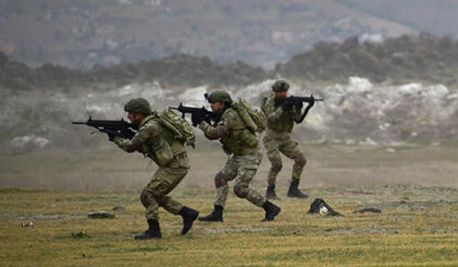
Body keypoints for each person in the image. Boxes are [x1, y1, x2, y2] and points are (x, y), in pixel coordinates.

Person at [113, 98, 199, 239]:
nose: (128, 117)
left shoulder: (149, 127)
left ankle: (154, 231)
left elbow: (130, 147)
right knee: (155, 195)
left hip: (175, 166)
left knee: (147, 195)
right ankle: (187, 213)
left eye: (131, 113)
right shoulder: (151, 122)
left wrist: (116, 138)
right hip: (175, 165)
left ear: (140, 114)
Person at [196, 90, 281, 222]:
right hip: (239, 154)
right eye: (210, 103)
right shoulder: (223, 115)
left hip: (250, 155)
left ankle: (270, 208)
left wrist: (201, 123)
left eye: (214, 103)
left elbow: (215, 134)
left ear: (222, 104)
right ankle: (217, 214)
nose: (211, 105)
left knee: (240, 188)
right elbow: (212, 133)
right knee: (220, 178)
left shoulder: (231, 116)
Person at [260, 80, 312, 199]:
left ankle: (293, 189)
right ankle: (270, 191)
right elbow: (271, 118)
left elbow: (298, 119)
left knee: (301, 159)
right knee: (277, 164)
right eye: (280, 92)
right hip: (271, 137)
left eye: (284, 92)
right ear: (275, 92)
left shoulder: (289, 102)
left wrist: (300, 108)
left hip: (285, 137)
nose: (282, 94)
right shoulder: (270, 102)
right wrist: (283, 108)